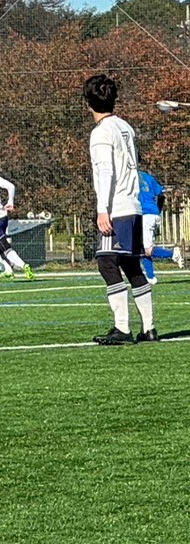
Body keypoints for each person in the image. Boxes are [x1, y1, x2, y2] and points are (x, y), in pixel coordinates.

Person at [84, 74, 155, 344]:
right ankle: (149, 328)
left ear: (88, 103)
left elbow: (106, 171)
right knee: (130, 264)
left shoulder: (101, 132)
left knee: (106, 262)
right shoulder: (125, 127)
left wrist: (103, 209)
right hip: (133, 205)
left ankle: (122, 328)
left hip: (117, 207)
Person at [138, 168, 182, 285]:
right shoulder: (148, 177)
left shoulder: (130, 177)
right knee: (142, 247)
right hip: (151, 213)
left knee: (147, 249)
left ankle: (172, 253)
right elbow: (161, 195)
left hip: (144, 214)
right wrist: (158, 210)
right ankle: (151, 277)